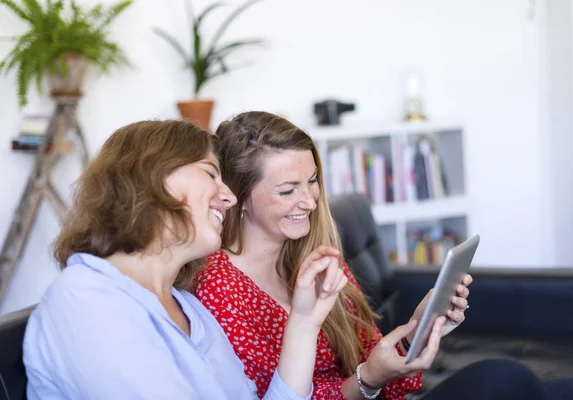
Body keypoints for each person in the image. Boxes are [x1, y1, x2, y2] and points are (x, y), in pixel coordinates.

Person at [195, 111, 573, 400]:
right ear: (239, 198)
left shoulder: (318, 258)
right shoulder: (220, 288)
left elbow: (377, 364)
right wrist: (368, 380)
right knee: (503, 377)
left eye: (313, 181)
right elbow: (279, 396)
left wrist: (419, 327)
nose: (310, 200)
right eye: (288, 190)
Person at [22, 119, 348, 400]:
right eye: (210, 173)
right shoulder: (86, 298)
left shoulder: (190, 311)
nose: (230, 197)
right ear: (154, 176)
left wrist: (305, 322)